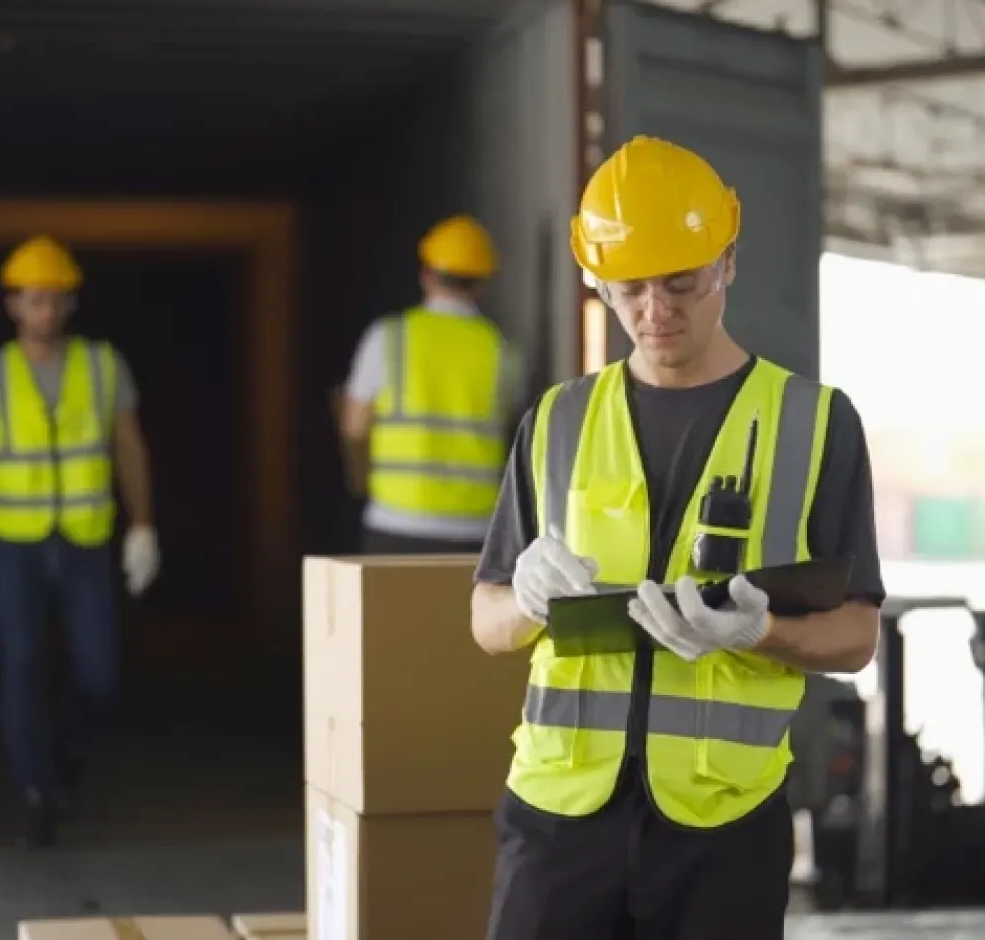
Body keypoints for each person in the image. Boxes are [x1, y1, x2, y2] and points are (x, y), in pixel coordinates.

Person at [470, 136, 886, 939]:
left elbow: (857, 636)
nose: (654, 312)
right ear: (598, 281)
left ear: (727, 261)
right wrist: (523, 600)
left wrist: (759, 631)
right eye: (629, 289)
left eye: (680, 283)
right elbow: (486, 621)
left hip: (723, 826)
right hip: (559, 814)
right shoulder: (556, 422)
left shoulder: (815, 425)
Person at [0, 235, 161, 848]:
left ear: (70, 305)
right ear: (12, 306)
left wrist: (143, 525)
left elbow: (128, 446)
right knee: (22, 668)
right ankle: (37, 791)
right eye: (33, 301)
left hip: (84, 541)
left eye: (55, 301)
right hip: (14, 547)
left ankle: (68, 754)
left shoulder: (105, 367)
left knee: (99, 673)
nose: (45, 313)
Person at [338, 215, 524, 554]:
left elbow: (354, 425)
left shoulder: (389, 338)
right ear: (482, 283)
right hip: (476, 529)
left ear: (426, 275)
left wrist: (361, 480)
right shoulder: (503, 352)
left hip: (396, 521)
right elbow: (513, 430)